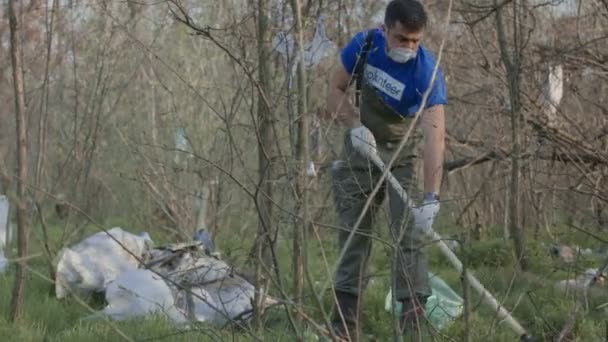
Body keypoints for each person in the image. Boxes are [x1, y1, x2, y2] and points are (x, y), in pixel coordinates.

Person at [322, 0, 447, 340]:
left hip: (401, 159)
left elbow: (435, 138)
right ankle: (344, 327)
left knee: (409, 239)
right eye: (401, 38)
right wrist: (353, 125)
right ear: (385, 29)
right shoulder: (364, 46)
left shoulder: (426, 72)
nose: (408, 47)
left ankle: (412, 324)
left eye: (415, 41)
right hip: (359, 150)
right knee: (353, 236)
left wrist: (431, 196)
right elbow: (333, 91)